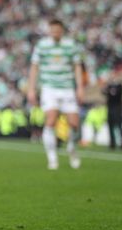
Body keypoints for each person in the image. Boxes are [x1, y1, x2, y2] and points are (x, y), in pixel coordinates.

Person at [27, 19, 84, 170]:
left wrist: (80, 87)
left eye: (57, 31)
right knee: (51, 121)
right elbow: (34, 67)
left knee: (74, 123)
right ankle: (52, 158)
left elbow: (77, 67)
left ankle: (71, 148)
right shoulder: (42, 45)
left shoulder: (70, 45)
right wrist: (31, 89)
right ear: (49, 31)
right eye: (52, 31)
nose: (55, 34)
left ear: (62, 31)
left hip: (67, 87)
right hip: (49, 87)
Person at [102, 71, 122, 150]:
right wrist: (107, 85)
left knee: (119, 126)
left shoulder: (119, 86)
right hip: (110, 108)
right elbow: (103, 92)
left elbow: (117, 94)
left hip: (118, 108)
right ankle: (112, 143)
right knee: (110, 126)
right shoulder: (109, 86)